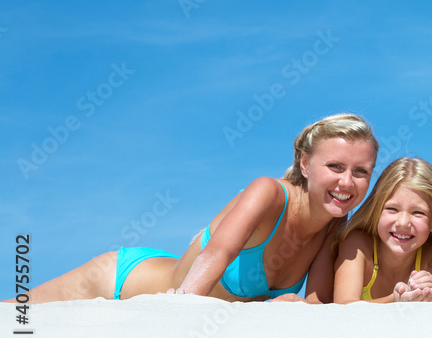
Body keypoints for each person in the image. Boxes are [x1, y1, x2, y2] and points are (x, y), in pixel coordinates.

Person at [19, 114, 379, 304]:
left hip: (168, 273)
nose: (347, 182)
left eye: (360, 172)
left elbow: (315, 307)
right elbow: (213, 259)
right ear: (304, 163)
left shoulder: (333, 227)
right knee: (12, 317)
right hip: (117, 282)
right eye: (335, 167)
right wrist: (182, 309)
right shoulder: (268, 194)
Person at [333, 157, 432, 303]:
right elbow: (344, 307)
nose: (403, 223)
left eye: (418, 212)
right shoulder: (358, 245)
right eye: (392, 209)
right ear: (376, 210)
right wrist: (396, 300)